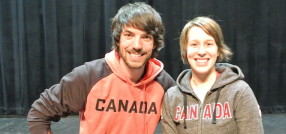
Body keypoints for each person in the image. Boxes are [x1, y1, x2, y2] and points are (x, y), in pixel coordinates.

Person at [27, 2, 176, 134]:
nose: (137, 45)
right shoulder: (89, 76)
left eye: (146, 37)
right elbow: (39, 113)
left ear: (155, 43)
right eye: (129, 35)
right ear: (118, 39)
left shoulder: (165, 85)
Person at [161, 16, 264, 134]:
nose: (201, 52)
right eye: (194, 44)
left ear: (218, 49)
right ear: (185, 50)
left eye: (208, 44)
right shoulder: (171, 97)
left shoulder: (240, 92)